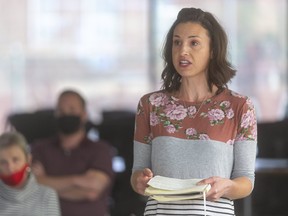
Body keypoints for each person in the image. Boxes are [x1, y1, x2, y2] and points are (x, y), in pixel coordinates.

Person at [131, 7, 257, 216]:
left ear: (213, 50)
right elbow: (137, 173)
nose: (182, 51)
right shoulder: (150, 104)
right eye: (177, 42)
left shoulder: (240, 107)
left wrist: (228, 187)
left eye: (194, 43)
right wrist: (139, 181)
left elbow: (245, 179)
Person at [31, 89, 114, 216]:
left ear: (84, 114)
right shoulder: (40, 149)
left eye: (71, 109)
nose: (66, 114)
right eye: (61, 110)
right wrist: (79, 181)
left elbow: (92, 190)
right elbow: (32, 185)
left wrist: (46, 182)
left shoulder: (100, 150)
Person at [0, 132, 60, 216]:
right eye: (3, 162)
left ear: (28, 159)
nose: (10, 167)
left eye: (15, 160)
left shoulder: (46, 195)